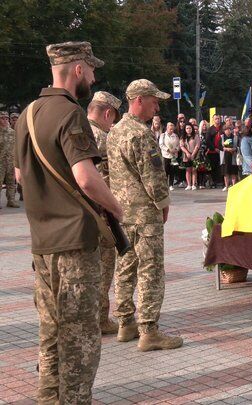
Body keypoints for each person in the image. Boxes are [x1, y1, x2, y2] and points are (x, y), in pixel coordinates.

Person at [14, 40, 123, 404]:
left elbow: (18, 176)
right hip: (75, 244)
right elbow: (86, 178)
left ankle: (48, 397)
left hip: (41, 243)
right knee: (79, 336)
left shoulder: (27, 114)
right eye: (91, 69)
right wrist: (117, 208)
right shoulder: (69, 112)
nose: (93, 76)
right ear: (78, 68)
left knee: (51, 329)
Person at [107, 79, 183, 351]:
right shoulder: (141, 134)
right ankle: (149, 331)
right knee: (150, 269)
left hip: (121, 212)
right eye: (153, 101)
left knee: (125, 266)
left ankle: (125, 322)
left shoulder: (114, 131)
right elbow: (152, 176)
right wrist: (163, 203)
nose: (156, 106)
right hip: (144, 213)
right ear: (139, 100)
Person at [87, 90, 122, 335]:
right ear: (107, 113)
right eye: (113, 119)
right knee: (105, 265)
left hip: (80, 214)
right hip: (102, 214)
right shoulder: (101, 137)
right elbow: (105, 180)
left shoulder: (77, 132)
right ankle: (100, 319)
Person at [0, 111, 18, 207]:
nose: (5, 120)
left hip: (11, 161)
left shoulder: (12, 132)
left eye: (6, 118)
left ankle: (11, 200)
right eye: (2, 118)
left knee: (11, 182)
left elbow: (16, 146)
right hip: (0, 162)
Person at [159, 122, 180, 190]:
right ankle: (165, 184)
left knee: (172, 171)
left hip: (173, 156)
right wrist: (168, 150)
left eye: (172, 129)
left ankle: (171, 185)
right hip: (166, 155)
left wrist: (176, 149)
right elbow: (161, 144)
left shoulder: (176, 136)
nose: (171, 130)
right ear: (167, 128)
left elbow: (178, 144)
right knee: (165, 170)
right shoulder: (163, 135)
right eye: (170, 129)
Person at [205, 114, 223, 187]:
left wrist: (221, 149)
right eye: (216, 119)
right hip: (213, 152)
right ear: (213, 120)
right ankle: (214, 182)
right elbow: (208, 141)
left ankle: (222, 181)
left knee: (221, 167)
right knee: (213, 167)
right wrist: (214, 148)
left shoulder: (223, 128)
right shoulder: (210, 129)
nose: (217, 120)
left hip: (222, 151)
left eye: (218, 118)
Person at [180, 123, 199, 190]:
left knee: (194, 170)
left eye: (190, 128)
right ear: (185, 129)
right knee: (188, 170)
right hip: (186, 155)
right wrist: (187, 153)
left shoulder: (196, 136)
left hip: (195, 154)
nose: (188, 130)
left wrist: (193, 154)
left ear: (192, 129)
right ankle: (189, 185)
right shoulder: (183, 137)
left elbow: (197, 146)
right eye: (187, 128)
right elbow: (181, 146)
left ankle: (194, 184)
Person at [221, 124, 238, 190]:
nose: (228, 131)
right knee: (226, 172)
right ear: (224, 131)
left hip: (233, 157)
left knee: (233, 172)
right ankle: (227, 186)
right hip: (225, 157)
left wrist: (234, 149)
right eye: (226, 129)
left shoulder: (235, 137)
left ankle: (233, 186)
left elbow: (238, 146)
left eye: (229, 129)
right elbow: (219, 146)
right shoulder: (222, 137)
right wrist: (226, 149)